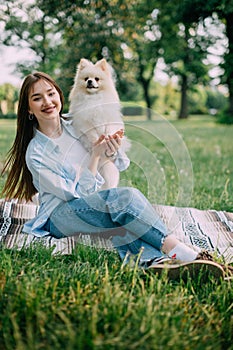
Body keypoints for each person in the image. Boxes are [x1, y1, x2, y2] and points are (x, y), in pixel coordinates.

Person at [1, 72, 230, 281]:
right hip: (59, 216)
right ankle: (186, 252)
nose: (48, 102)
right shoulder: (37, 153)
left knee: (126, 220)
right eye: (38, 98)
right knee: (126, 200)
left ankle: (154, 263)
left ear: (60, 96)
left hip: (91, 205)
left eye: (51, 94)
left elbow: (118, 163)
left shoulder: (77, 124)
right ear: (29, 109)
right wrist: (95, 157)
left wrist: (110, 150)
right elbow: (76, 195)